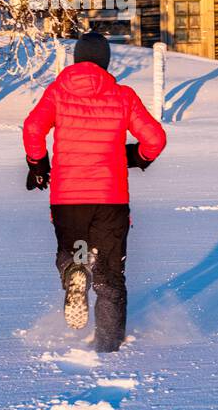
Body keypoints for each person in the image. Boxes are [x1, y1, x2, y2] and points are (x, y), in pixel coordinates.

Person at [22, 31, 166, 353]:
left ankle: (75, 270)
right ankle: (108, 346)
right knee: (110, 278)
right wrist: (134, 157)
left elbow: (33, 128)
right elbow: (155, 139)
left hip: (68, 199)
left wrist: (37, 164)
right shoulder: (122, 95)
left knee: (75, 252)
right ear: (105, 61)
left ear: (76, 59)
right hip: (110, 199)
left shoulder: (57, 92)